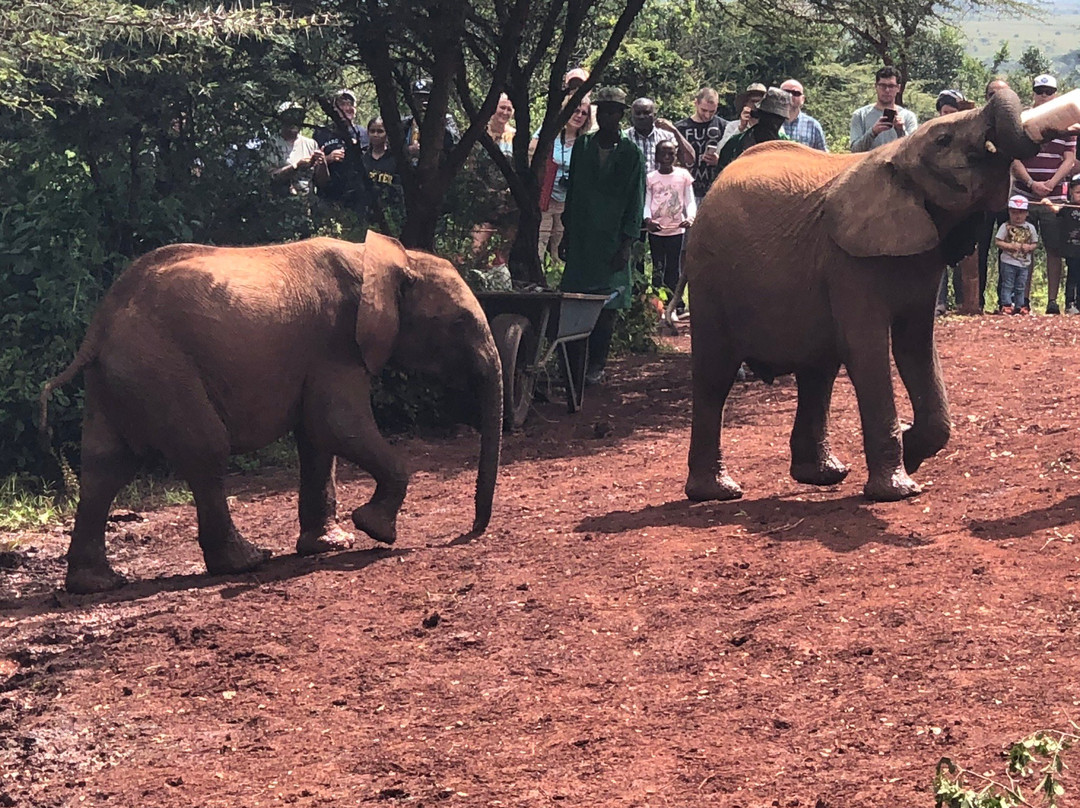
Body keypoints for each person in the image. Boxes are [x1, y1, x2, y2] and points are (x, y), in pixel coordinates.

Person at [559, 86, 646, 386]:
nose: (608, 116)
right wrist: (566, 233)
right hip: (582, 238)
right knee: (575, 302)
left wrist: (627, 243)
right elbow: (572, 194)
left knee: (607, 306)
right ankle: (573, 367)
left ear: (621, 115)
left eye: (614, 111)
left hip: (612, 241)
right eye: (604, 110)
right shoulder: (582, 148)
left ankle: (598, 364)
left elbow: (636, 201)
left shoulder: (631, 154)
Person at [1010, 73, 1078, 314]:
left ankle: (1052, 302)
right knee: (1020, 247)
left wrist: (1050, 183)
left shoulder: (1068, 122)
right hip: (1023, 196)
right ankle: (1022, 301)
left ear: (1056, 93)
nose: (1044, 96)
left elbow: (1069, 159)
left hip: (1055, 197)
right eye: (1040, 91)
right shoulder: (1021, 121)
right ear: (1033, 93)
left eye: (1049, 91)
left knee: (1054, 250)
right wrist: (1031, 183)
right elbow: (1013, 157)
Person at [932, 90, 979, 316]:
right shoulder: (930, 136)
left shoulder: (970, 137)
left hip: (965, 203)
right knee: (936, 254)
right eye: (945, 112)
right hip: (938, 203)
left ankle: (966, 302)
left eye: (953, 112)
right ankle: (938, 302)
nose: (948, 116)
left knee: (964, 252)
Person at [533, 95, 592, 265]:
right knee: (542, 238)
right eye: (575, 110)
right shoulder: (549, 133)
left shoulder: (586, 141)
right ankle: (538, 274)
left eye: (584, 113)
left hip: (569, 202)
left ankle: (556, 277)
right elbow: (533, 155)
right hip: (546, 198)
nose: (579, 115)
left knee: (559, 243)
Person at [645, 140, 696, 304]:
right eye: (663, 154)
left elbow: (690, 201)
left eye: (671, 154)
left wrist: (690, 218)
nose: (667, 157)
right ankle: (657, 302)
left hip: (676, 230)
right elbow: (646, 202)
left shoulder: (683, 176)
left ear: (676, 156)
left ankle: (674, 302)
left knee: (674, 267)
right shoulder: (651, 178)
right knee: (657, 266)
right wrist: (647, 220)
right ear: (656, 156)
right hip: (656, 230)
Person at [977, 77, 1013, 310]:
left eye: (1002, 94)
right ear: (986, 98)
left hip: (1010, 195)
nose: (997, 99)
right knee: (978, 249)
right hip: (980, 198)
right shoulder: (975, 123)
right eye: (993, 94)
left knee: (1010, 250)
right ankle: (975, 300)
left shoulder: (1015, 124)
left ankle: (1007, 301)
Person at [312, 88, 370, 210]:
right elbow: (312, 165)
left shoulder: (364, 133)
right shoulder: (321, 133)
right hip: (328, 196)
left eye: (350, 104)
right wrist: (328, 158)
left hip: (356, 196)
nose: (346, 108)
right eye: (342, 104)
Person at [674, 87, 729, 204]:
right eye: (703, 110)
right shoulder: (680, 128)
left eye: (712, 111)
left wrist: (720, 160)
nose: (707, 115)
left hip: (716, 190)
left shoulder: (724, 127)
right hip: (687, 190)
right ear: (696, 103)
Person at [717, 87, 791, 170]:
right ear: (760, 114)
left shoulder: (788, 147)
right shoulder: (737, 142)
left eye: (779, 118)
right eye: (770, 116)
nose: (774, 122)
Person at [850, 66, 918, 152]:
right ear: (876, 86)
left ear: (898, 88)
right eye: (882, 85)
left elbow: (913, 151)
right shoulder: (860, 115)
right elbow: (854, 150)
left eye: (891, 86)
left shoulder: (908, 117)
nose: (887, 90)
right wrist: (873, 132)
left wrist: (901, 131)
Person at [624, 97, 695, 174]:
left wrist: (675, 131)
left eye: (646, 113)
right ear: (631, 115)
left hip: (661, 185)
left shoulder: (667, 137)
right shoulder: (624, 137)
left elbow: (689, 161)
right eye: (638, 113)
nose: (642, 117)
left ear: (654, 115)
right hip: (633, 185)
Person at [995, 195, 1039, 315]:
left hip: (1024, 263)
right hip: (1008, 261)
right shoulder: (1005, 226)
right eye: (1014, 212)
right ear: (1009, 212)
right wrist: (1009, 246)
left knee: (1021, 285)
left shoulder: (1030, 228)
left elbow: (1035, 243)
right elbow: (997, 241)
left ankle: (1020, 305)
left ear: (1027, 213)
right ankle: (1006, 304)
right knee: (1008, 284)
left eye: (1021, 212)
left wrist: (1029, 248)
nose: (1017, 216)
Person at [268, 102, 319, 196]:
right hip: (281, 201)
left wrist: (323, 161)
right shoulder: (272, 143)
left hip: (307, 201)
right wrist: (296, 166)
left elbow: (319, 179)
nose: (294, 120)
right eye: (290, 117)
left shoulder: (311, 144)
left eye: (298, 117)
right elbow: (270, 176)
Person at [403, 78, 459, 164]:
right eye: (418, 98)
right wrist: (408, 150)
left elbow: (454, 143)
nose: (422, 101)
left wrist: (438, 118)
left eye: (426, 97)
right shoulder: (406, 122)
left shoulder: (446, 120)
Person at [361, 116, 402, 226]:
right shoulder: (362, 158)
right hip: (365, 212)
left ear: (387, 134)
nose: (375, 135)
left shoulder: (395, 159)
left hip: (390, 213)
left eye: (380, 131)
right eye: (372, 131)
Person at [780, 79, 827, 151]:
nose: (790, 96)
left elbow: (823, 156)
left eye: (795, 93)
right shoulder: (769, 123)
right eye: (785, 92)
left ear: (803, 99)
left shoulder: (813, 126)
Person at [1058, 177, 1080, 313]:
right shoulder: (1067, 207)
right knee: (1072, 276)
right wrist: (1047, 203)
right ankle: (1070, 304)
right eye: (1078, 192)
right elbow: (1056, 210)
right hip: (1072, 250)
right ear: (1071, 191)